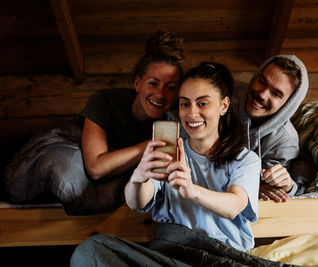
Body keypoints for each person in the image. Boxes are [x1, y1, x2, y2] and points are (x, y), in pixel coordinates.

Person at [70, 62, 267, 266]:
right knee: (92, 249)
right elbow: (136, 202)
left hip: (221, 259)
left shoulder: (244, 160)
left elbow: (234, 205)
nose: (191, 113)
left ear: (223, 106)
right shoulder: (168, 151)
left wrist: (191, 190)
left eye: (202, 103)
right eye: (184, 103)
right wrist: (138, 178)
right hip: (172, 256)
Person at [4, 30, 184, 215]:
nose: (161, 94)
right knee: (65, 172)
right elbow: (96, 168)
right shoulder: (104, 101)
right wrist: (148, 147)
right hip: (70, 145)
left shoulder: (171, 124)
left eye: (170, 88)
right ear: (137, 83)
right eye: (153, 83)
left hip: (116, 173)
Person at [236, 55, 310, 202]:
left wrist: (285, 186)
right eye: (262, 82)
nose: (262, 94)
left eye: (276, 94)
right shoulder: (225, 96)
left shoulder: (285, 139)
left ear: (287, 105)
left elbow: (269, 187)